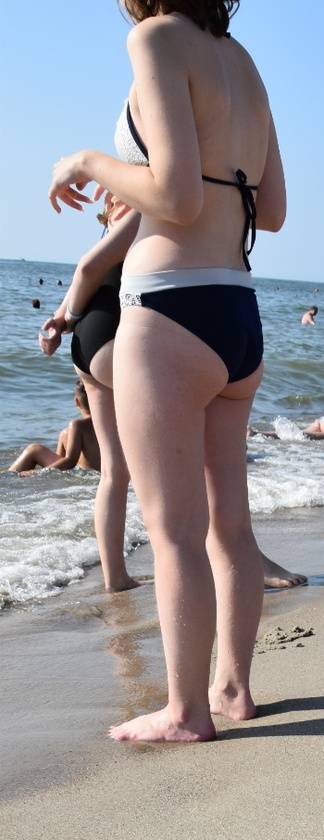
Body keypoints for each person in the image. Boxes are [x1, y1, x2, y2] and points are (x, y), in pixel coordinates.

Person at [48, 0, 287, 742]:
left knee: (175, 530)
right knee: (230, 526)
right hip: (237, 309)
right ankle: (233, 688)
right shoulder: (241, 59)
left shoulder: (154, 37)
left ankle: (185, 712)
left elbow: (177, 198)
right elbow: (271, 211)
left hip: (169, 306)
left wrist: (89, 162)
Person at [36, 200, 142, 591]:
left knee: (116, 469)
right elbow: (88, 269)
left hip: (88, 343)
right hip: (114, 338)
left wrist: (62, 319)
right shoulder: (143, 208)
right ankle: (214, 557)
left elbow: (92, 273)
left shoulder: (113, 220)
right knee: (190, 447)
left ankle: (116, 577)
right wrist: (68, 317)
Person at [9, 380, 101, 474]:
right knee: (64, 434)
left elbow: (70, 461)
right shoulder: (108, 422)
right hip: (101, 472)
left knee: (34, 449)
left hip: (86, 473)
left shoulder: (78, 425)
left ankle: (9, 476)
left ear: (77, 402)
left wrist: (38, 472)